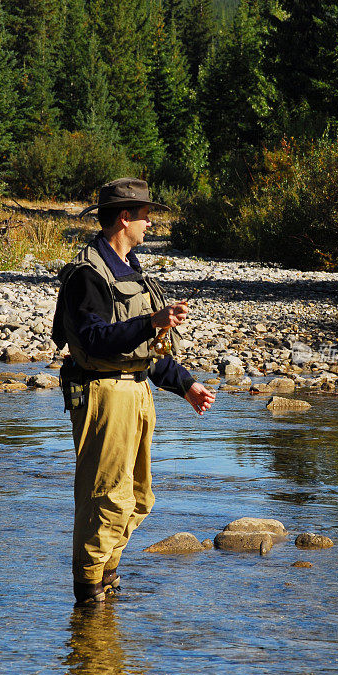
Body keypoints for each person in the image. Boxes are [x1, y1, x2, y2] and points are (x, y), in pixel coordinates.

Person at [52, 178, 215, 604]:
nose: (150, 223)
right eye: (146, 216)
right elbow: (93, 340)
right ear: (125, 218)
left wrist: (185, 384)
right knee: (104, 497)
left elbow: (143, 351)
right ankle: (88, 599)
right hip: (104, 394)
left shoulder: (131, 267)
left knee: (137, 499)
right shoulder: (88, 274)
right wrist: (152, 322)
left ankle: (107, 582)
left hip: (137, 391)